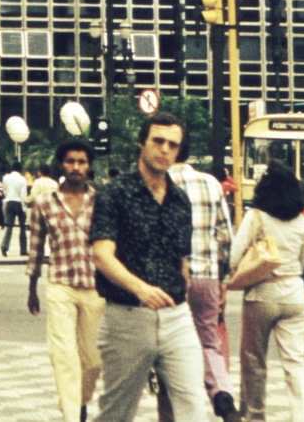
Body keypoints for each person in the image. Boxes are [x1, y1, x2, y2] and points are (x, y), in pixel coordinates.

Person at [89, 112, 208, 422]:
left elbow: (182, 261)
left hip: (176, 316)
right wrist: (140, 288)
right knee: (117, 412)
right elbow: (101, 254)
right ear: (142, 143)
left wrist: (186, 300)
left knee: (194, 405)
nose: (165, 149)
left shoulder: (180, 201)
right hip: (127, 316)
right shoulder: (115, 193)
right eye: (158, 141)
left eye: (173, 144)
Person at [26, 137, 104, 422]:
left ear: (89, 166)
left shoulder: (101, 201)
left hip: (95, 288)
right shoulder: (44, 202)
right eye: (71, 161)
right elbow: (35, 247)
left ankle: (80, 402)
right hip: (60, 285)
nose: (76, 167)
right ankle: (73, 416)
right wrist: (32, 289)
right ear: (61, 164)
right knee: (63, 355)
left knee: (92, 360)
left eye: (82, 162)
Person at [230, 161, 304, 422]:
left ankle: (255, 415)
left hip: (261, 295)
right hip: (295, 295)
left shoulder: (255, 217)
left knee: (254, 361)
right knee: (295, 362)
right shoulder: (302, 222)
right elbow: (303, 262)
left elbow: (234, 258)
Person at [161, 157, 238, 422]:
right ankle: (222, 394)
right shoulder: (211, 183)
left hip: (168, 279)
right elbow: (226, 236)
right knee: (208, 340)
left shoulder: (158, 182)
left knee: (167, 349)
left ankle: (170, 415)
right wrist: (223, 279)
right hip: (206, 276)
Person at [1, 162, 30, 256]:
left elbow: (4, 190)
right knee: (22, 227)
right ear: (20, 169)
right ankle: (23, 249)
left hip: (9, 202)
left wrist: (7, 197)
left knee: (9, 227)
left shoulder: (5, 178)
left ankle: (4, 246)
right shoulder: (22, 179)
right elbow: (23, 194)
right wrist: (24, 208)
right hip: (18, 203)